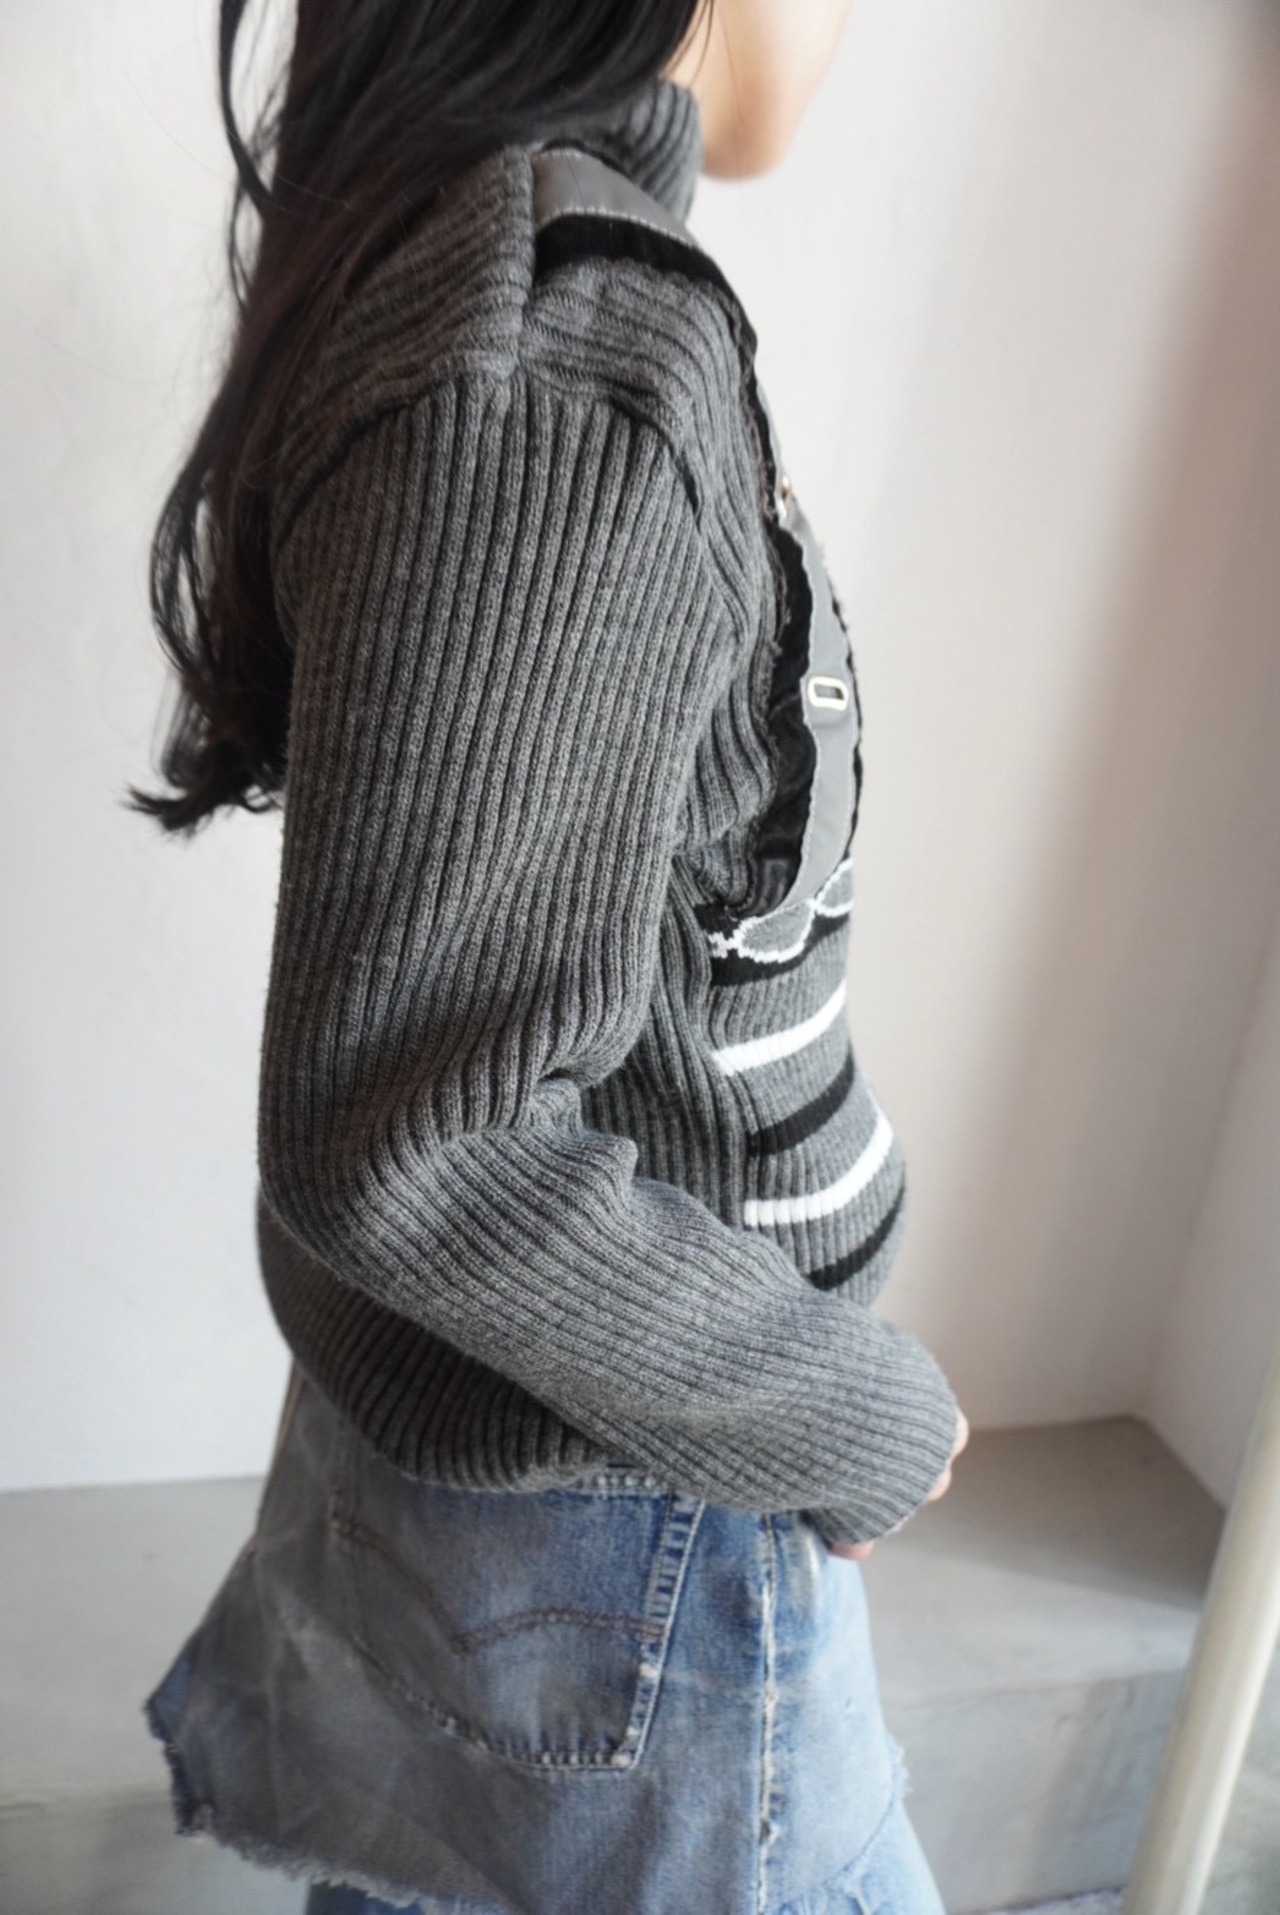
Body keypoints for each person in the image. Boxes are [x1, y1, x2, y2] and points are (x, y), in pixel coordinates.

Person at [134, 1, 971, 1910]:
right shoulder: (567, 352)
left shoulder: (511, 281)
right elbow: (420, 1132)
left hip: (561, 1477)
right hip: (626, 1515)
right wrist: (851, 1418)